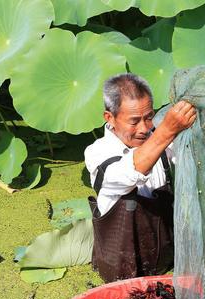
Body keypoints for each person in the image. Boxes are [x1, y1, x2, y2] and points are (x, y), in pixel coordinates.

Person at [84, 73, 196, 282]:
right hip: (120, 272)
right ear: (110, 118)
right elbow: (127, 174)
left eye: (149, 117)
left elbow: (192, 158)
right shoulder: (97, 152)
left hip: (166, 264)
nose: (144, 129)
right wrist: (167, 130)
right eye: (134, 121)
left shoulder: (160, 140)